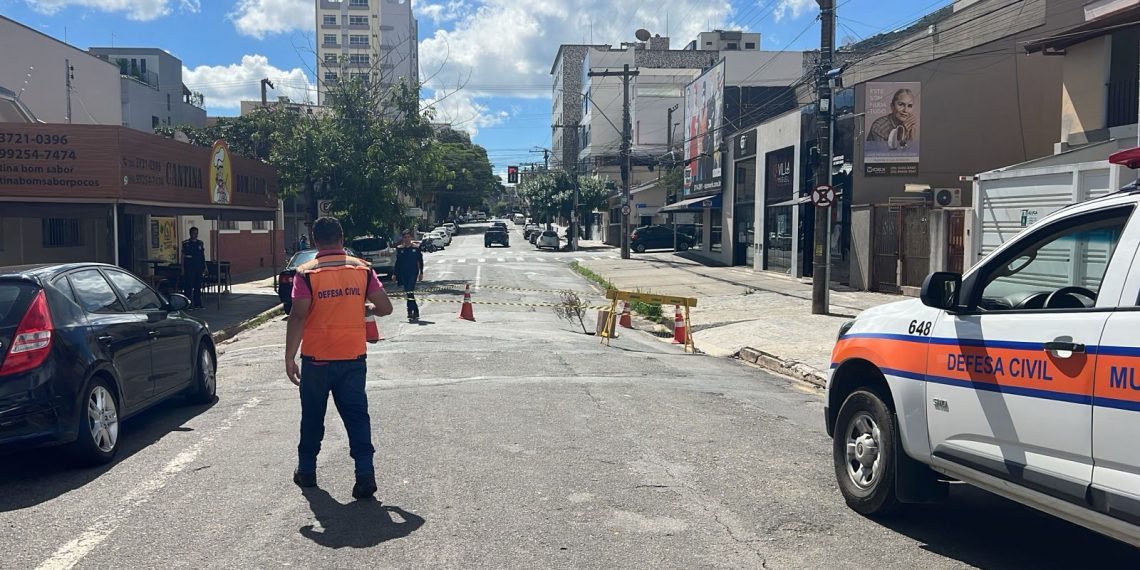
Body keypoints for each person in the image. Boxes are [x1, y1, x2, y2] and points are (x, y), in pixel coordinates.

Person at [285, 217, 393, 499]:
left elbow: (297, 316)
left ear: (315, 240)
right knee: (357, 417)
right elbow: (385, 308)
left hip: (316, 359)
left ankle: (307, 470)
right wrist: (367, 307)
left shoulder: (306, 273)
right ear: (342, 238)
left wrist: (289, 357)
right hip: (353, 357)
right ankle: (365, 474)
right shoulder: (362, 269)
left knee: (312, 416)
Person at [394, 229, 424, 321]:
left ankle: (410, 311)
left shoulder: (416, 248)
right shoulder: (400, 248)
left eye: (408, 237)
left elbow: (420, 261)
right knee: (409, 293)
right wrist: (394, 274)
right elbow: (398, 262)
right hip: (404, 273)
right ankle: (415, 311)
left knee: (410, 290)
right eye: (405, 237)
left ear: (411, 237)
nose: (407, 239)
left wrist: (421, 273)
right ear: (402, 238)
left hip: (413, 273)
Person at [181, 227, 206, 310]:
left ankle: (198, 304)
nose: (195, 235)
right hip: (189, 268)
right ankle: (188, 304)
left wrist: (205, 267)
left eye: (196, 233)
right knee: (188, 286)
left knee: (198, 286)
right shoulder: (186, 243)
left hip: (198, 267)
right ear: (190, 233)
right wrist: (182, 268)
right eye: (194, 233)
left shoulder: (200, 243)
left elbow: (202, 255)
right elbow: (183, 256)